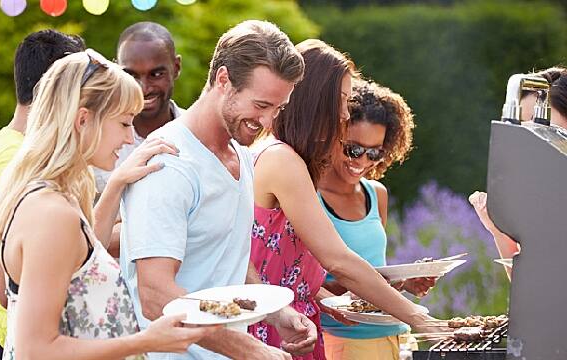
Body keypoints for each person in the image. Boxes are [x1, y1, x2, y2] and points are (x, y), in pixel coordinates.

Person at [0, 49, 217, 359]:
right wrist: (147, 341)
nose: (129, 137)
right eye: (123, 124)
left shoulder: (39, 196)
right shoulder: (52, 214)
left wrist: (117, 184)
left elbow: (81, 259)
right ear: (84, 119)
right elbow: (36, 350)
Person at [120, 20, 317, 360]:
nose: (269, 122)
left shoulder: (240, 152)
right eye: (260, 105)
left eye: (277, 109)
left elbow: (228, 254)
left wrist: (276, 312)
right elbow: (154, 295)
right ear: (223, 80)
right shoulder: (168, 162)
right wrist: (245, 347)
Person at [248, 39, 439, 359]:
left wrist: (321, 299)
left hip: (293, 326)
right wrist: (423, 319)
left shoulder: (287, 157)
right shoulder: (281, 159)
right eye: (341, 100)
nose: (343, 112)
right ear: (314, 100)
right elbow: (337, 260)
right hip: (275, 333)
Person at [0, 29, 85, 360]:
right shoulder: (15, 161)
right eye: (78, 90)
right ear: (53, 89)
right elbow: (11, 282)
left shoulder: (14, 149)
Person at [317, 80, 434, 360]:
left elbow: (372, 269)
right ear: (334, 136)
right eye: (353, 149)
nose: (363, 161)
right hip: (339, 339)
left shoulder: (376, 194)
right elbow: (303, 281)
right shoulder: (309, 196)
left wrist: (403, 281)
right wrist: (357, 288)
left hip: (389, 333)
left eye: (374, 152)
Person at [92, 21, 184, 257]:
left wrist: (123, 224)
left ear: (176, 68)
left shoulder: (198, 136)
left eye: (156, 74)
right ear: (116, 71)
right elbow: (84, 241)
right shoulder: (93, 143)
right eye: (131, 75)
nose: (143, 88)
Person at [469, 67, 567, 278]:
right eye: (523, 125)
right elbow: (531, 289)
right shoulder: (543, 189)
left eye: (540, 121)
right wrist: (498, 230)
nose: (529, 134)